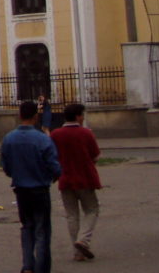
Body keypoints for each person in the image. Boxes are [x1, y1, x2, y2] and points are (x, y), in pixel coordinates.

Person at [1, 99, 61, 273]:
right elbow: (53, 165)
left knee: (27, 227)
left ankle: (28, 266)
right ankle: (41, 268)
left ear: (20, 115)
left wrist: (17, 174)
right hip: (40, 188)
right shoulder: (42, 139)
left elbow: (6, 166)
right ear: (36, 117)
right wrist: (54, 175)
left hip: (21, 189)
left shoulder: (9, 139)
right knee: (42, 230)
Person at [50, 103, 101, 262]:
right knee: (92, 210)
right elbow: (95, 156)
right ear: (78, 116)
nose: (83, 118)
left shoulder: (55, 134)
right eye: (82, 115)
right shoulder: (86, 133)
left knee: (72, 215)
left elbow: (51, 156)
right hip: (85, 178)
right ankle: (83, 240)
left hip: (65, 179)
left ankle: (77, 253)